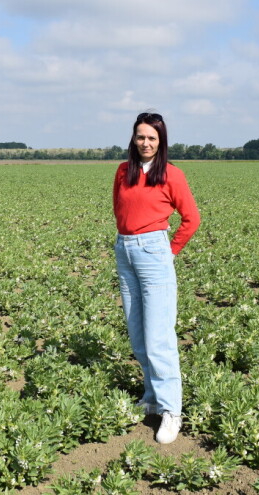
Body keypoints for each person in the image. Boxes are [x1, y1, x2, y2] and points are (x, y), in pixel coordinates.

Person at [112, 111, 200, 444]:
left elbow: (191, 219)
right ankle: (151, 397)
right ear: (133, 139)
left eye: (151, 137)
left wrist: (169, 251)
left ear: (160, 141)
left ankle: (171, 410)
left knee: (158, 337)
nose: (145, 142)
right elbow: (120, 210)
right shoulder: (124, 171)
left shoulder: (171, 174)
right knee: (137, 333)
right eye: (140, 136)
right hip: (125, 250)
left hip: (153, 253)